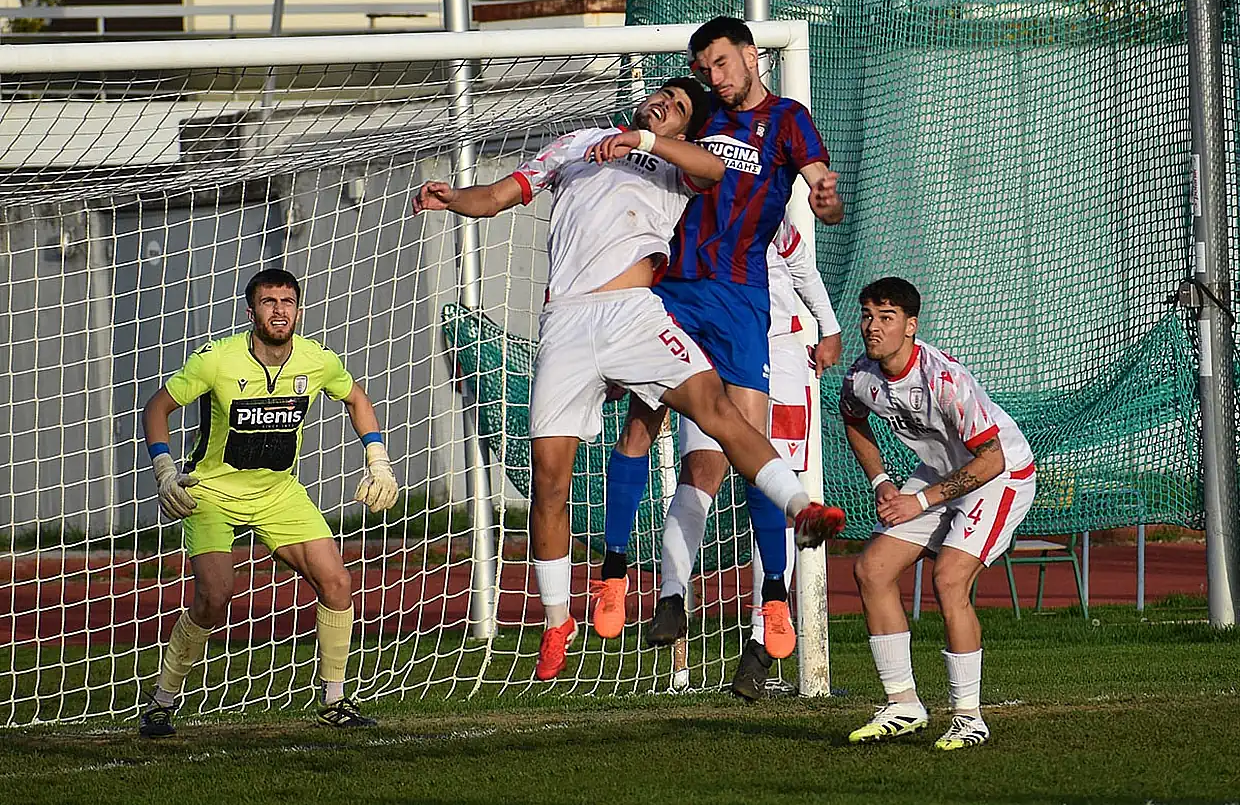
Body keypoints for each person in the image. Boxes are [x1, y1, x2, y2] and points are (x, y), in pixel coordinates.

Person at [411, 77, 842, 681]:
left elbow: (715, 170)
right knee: (549, 479)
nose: (665, 103)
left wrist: (646, 141)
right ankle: (558, 620)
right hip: (565, 323)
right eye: (664, 94)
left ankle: (802, 509)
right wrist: (452, 197)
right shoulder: (576, 144)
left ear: (685, 129)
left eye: (681, 107)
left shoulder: (674, 166)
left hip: (636, 315)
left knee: (717, 410)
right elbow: (500, 195)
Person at [594, 16, 844, 663]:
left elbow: (821, 181)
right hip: (675, 293)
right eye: (704, 69)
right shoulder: (703, 113)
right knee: (640, 426)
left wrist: (825, 196)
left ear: (752, 55)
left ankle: (773, 595)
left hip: (739, 301)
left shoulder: (786, 119)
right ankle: (616, 571)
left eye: (722, 63)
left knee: (750, 446)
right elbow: (661, 132)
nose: (715, 77)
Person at [139, 268, 399, 737]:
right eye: (268, 302)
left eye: (287, 302)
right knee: (215, 596)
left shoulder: (317, 360)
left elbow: (356, 399)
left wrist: (378, 461)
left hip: (279, 492)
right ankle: (161, 701)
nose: (279, 311)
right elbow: (157, 407)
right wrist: (164, 471)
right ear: (251, 311)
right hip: (212, 493)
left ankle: (335, 700)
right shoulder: (216, 360)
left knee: (337, 582)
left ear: (298, 309)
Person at [601, 219, 842, 700]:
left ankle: (763, 635)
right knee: (700, 472)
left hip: (778, 348)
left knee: (772, 478)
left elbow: (800, 261)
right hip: (705, 343)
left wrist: (829, 327)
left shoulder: (760, 200)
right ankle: (671, 596)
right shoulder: (676, 206)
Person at [829, 276, 1036, 751]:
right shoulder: (862, 377)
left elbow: (991, 459)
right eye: (867, 316)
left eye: (887, 317)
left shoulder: (944, 380)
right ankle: (902, 705)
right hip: (941, 474)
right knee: (872, 570)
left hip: (1002, 475)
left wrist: (919, 501)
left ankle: (969, 717)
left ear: (911, 325)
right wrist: (881, 482)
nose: (873, 327)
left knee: (948, 579)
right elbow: (852, 417)